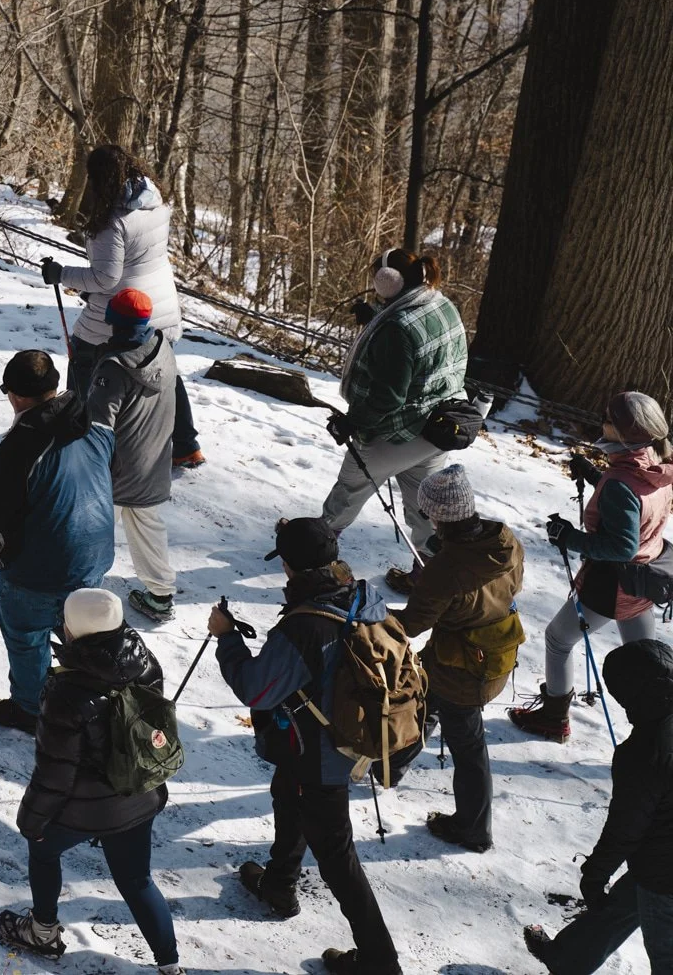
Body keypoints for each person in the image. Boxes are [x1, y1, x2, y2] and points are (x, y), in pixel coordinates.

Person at [212, 519, 402, 975]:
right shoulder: (363, 596)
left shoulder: (306, 625)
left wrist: (227, 638)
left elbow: (256, 690)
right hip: (341, 740)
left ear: (287, 563)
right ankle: (279, 884)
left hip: (319, 755)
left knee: (337, 858)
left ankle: (381, 962)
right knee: (287, 794)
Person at [0, 587, 182, 973]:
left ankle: (43, 931)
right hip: (138, 795)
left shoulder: (66, 693)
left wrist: (32, 821)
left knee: (43, 851)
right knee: (137, 880)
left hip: (85, 811)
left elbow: (54, 773)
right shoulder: (144, 662)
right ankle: (169, 965)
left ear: (72, 631)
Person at [0, 350, 115, 733]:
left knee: (26, 634)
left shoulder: (23, 445)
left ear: (15, 395)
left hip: (40, 566)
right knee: (82, 635)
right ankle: (94, 701)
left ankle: (32, 710)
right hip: (95, 554)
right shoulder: (94, 425)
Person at [511, 391, 673, 742]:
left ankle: (554, 718)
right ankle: (661, 730)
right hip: (645, 580)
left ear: (625, 431)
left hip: (612, 585)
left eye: (609, 419)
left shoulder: (619, 484)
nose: (602, 423)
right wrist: (598, 476)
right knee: (649, 664)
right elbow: (635, 498)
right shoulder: (658, 464)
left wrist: (568, 537)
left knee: (557, 639)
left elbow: (620, 546)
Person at [385, 464, 523, 852]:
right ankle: (391, 766)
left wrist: (377, 613)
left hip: (461, 670)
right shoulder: (504, 539)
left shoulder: (444, 571)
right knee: (423, 706)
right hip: (496, 652)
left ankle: (474, 829)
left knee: (467, 744)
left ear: (434, 516)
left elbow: (411, 625)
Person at [41, 144, 202, 468]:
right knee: (164, 369)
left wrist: (61, 274)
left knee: (83, 357)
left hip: (123, 309)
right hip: (162, 304)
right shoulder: (154, 200)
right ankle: (186, 445)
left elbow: (105, 278)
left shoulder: (111, 222)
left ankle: (79, 433)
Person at [524, 639, 673, 975]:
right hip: (659, 859)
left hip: (665, 879)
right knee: (624, 902)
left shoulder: (645, 752)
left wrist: (595, 874)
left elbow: (625, 829)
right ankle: (569, 958)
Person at [314, 248, 467, 548]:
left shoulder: (396, 328)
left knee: (348, 491)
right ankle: (430, 573)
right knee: (426, 510)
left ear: (388, 281)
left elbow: (389, 396)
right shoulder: (441, 304)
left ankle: (315, 548)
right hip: (438, 428)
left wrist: (352, 423)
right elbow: (421, 345)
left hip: (397, 433)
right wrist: (375, 321)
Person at [84, 287, 179, 623]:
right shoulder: (162, 347)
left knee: (91, 527)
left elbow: (98, 426)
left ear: (113, 322)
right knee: (147, 525)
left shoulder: (114, 369)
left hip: (117, 469)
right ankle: (160, 594)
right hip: (154, 461)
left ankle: (81, 589)